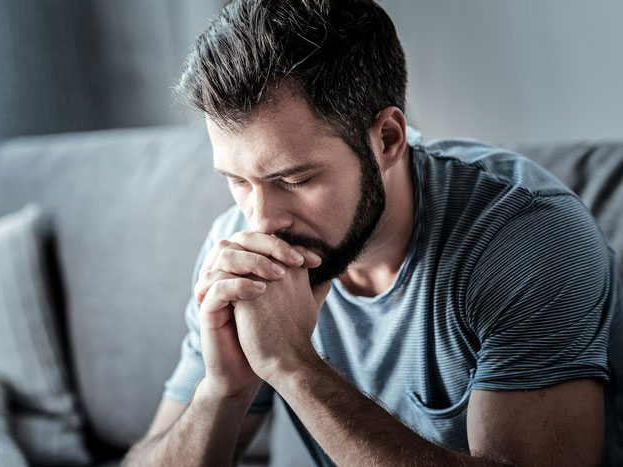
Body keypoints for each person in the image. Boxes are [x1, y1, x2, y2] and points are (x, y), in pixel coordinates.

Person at [125, 0, 622, 465]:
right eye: (237, 181)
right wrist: (222, 390)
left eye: (294, 179)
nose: (260, 220)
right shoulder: (237, 253)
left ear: (387, 138)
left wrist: (295, 368)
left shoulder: (527, 240)